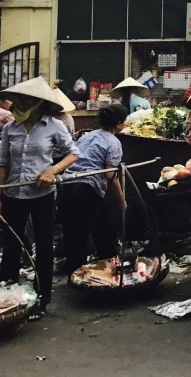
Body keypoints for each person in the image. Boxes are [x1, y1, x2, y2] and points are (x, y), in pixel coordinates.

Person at [0, 77, 79, 318]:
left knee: (44, 246)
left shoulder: (54, 126)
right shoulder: (10, 129)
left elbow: (73, 154)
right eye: (17, 100)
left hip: (42, 195)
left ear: (37, 103)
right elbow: (2, 163)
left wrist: (52, 170)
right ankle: (8, 298)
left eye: (25, 100)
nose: (19, 104)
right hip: (13, 194)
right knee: (12, 246)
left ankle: (42, 298)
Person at [59, 103, 128, 275]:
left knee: (74, 232)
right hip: (87, 187)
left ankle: (76, 270)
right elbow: (111, 175)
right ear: (119, 124)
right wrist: (122, 200)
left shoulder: (87, 136)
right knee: (96, 230)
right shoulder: (114, 142)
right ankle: (101, 268)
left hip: (66, 184)